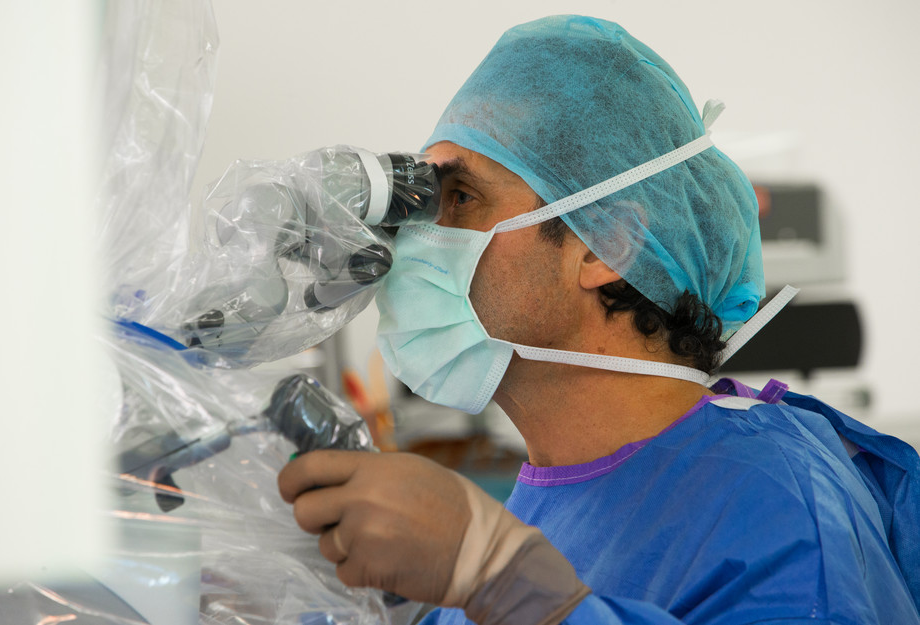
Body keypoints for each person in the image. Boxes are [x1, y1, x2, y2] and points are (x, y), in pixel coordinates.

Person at [278, 15, 920, 624]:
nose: (416, 239)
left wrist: (497, 577)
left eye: (460, 198)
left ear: (607, 244)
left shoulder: (774, 505)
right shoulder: (544, 506)